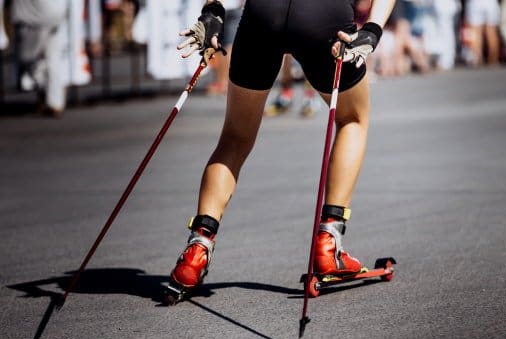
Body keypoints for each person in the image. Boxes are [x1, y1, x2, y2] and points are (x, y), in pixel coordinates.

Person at [165, 0, 395, 299]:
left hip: (264, 14)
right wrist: (374, 29)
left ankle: (198, 248)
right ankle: (329, 242)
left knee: (234, 138)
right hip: (324, 16)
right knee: (353, 119)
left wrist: (213, 11)